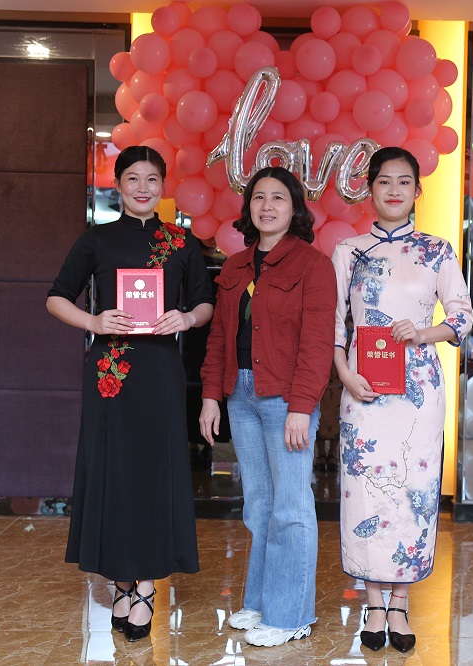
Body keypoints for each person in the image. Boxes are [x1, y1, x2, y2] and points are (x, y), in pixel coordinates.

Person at [46, 145, 214, 643]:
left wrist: (186, 317)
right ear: (118, 185)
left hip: (160, 371)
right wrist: (94, 321)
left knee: (153, 472)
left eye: (152, 179)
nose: (143, 188)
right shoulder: (97, 239)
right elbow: (55, 298)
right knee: (114, 471)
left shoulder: (181, 241)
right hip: (111, 373)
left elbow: (205, 303)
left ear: (164, 186)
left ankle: (144, 585)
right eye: (133, 179)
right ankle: (122, 579)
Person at [330, 147, 473, 653]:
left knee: (414, 488)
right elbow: (334, 324)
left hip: (418, 390)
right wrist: (344, 375)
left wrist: (424, 332)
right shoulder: (348, 251)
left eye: (404, 181)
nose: (394, 190)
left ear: (417, 191)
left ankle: (400, 601)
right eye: (384, 181)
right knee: (365, 489)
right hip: (363, 386)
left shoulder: (437, 250)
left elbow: (461, 315)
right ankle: (372, 601)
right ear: (369, 189)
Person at [199, 166, 336, 647]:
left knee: (291, 507)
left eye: (279, 197)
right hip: (240, 395)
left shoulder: (313, 265)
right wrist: (211, 395)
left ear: (295, 207)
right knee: (259, 505)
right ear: (249, 207)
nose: (268, 205)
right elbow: (219, 337)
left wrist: (302, 406)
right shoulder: (236, 266)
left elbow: (318, 344)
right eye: (259, 197)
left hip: (285, 398)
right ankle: (259, 601)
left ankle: (291, 613)